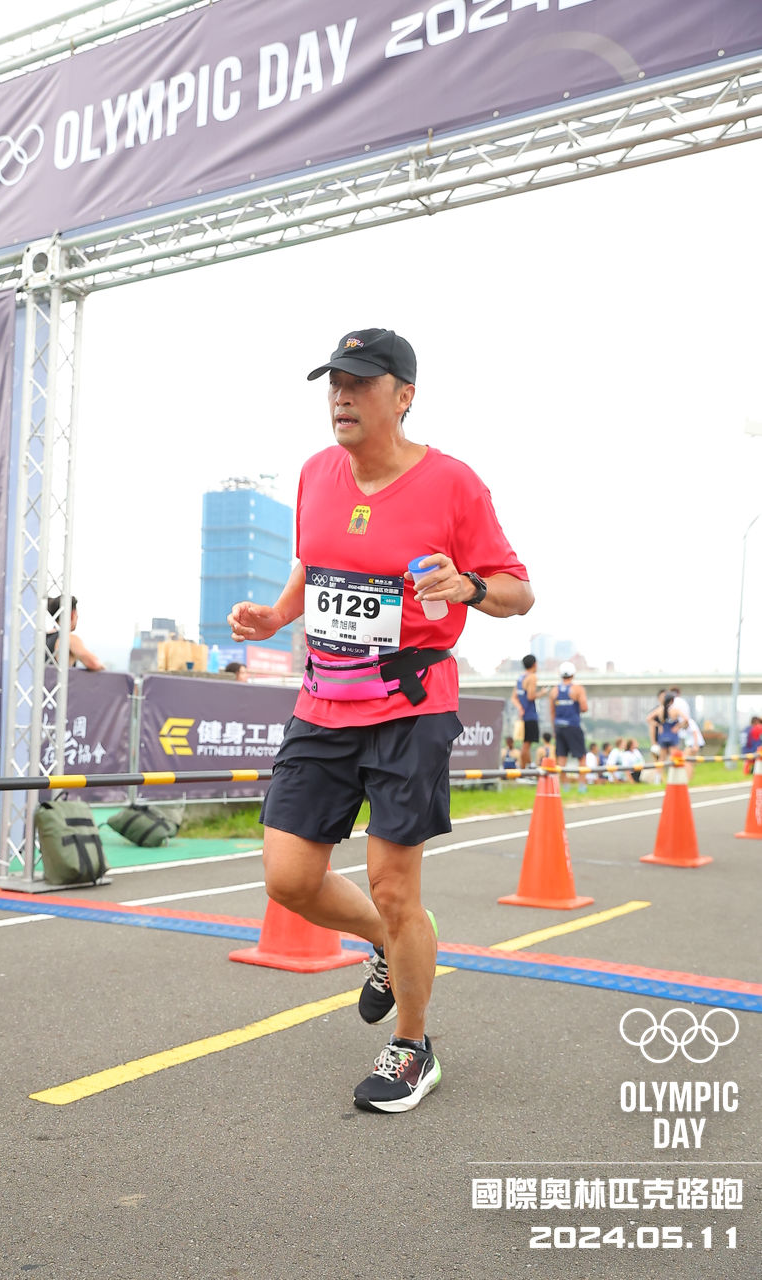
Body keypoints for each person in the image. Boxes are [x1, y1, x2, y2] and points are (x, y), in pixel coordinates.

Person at [227, 327, 533, 1113]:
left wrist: (468, 587)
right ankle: (384, 946)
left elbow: (516, 590)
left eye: (359, 383)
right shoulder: (315, 473)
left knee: (395, 888)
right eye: (333, 383)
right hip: (322, 703)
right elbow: (312, 562)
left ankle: (412, 1047)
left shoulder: (452, 484)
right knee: (288, 879)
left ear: (403, 396)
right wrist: (276, 615)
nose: (341, 397)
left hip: (410, 707)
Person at [550, 662, 588, 793]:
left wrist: (554, 729)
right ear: (573, 674)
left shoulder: (554, 691)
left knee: (561, 757)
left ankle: (564, 787)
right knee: (581, 757)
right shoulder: (578, 689)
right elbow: (584, 707)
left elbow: (552, 712)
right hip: (573, 726)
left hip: (559, 726)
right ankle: (582, 786)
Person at [45, 595, 104, 671]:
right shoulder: (69, 638)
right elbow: (94, 663)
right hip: (59, 679)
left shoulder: (42, 638)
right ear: (72, 614)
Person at [511, 654, 549, 768]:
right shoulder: (532, 677)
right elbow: (531, 696)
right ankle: (526, 770)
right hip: (530, 715)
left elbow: (514, 698)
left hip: (523, 716)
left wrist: (520, 708)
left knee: (525, 744)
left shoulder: (520, 678)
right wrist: (542, 693)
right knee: (526, 745)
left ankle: (525, 770)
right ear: (534, 664)